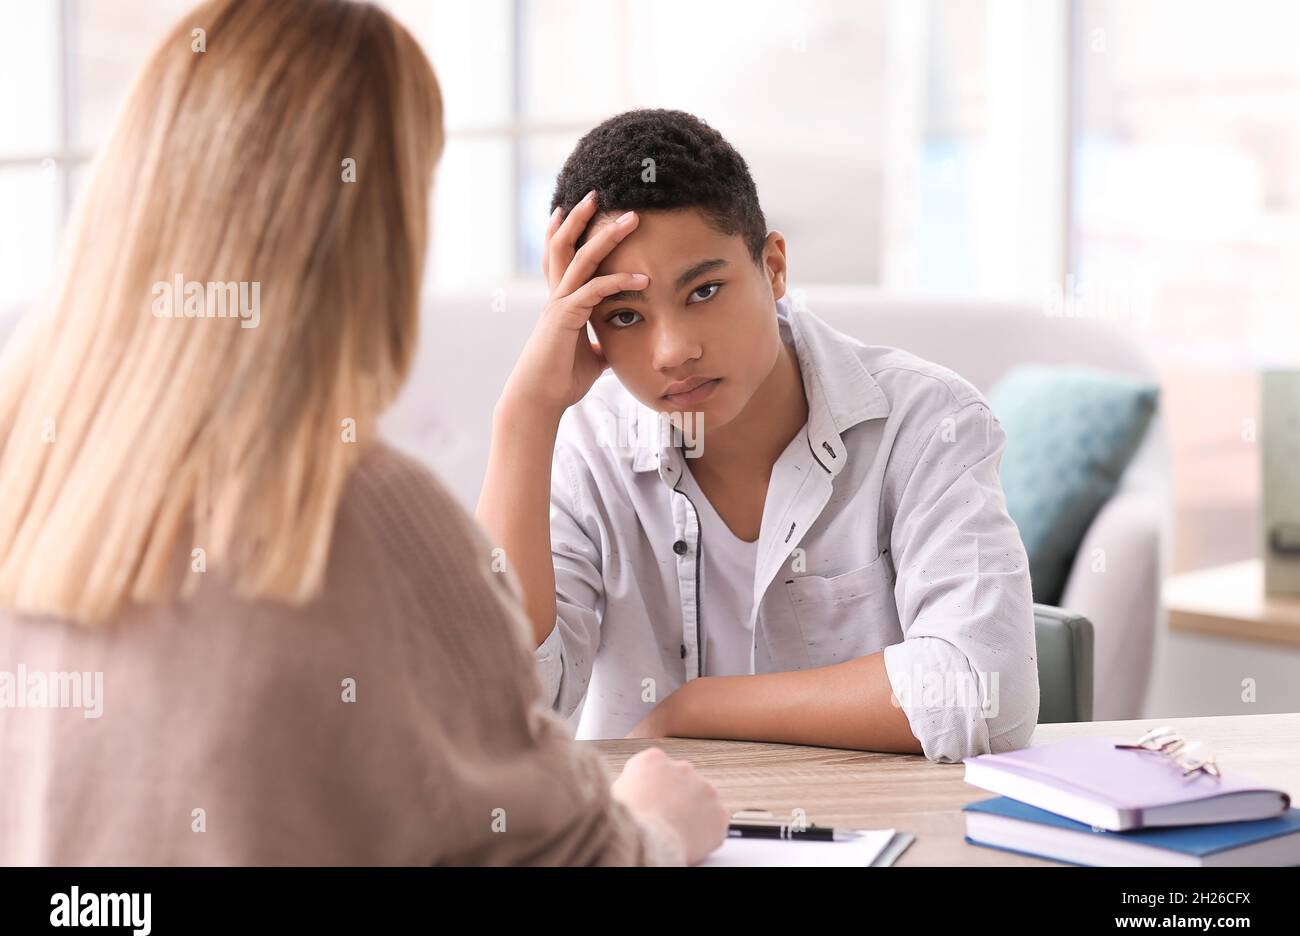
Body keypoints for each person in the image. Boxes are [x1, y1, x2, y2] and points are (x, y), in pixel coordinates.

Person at [0, 0, 726, 866]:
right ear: (380, 229)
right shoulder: (355, 515)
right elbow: (562, 849)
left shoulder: (29, 470)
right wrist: (656, 826)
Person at [477, 109, 1040, 763]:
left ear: (774, 267)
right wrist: (524, 415)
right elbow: (495, 710)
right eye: (624, 315)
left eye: (704, 290)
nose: (673, 351)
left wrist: (695, 709)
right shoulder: (586, 448)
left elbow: (987, 693)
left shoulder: (925, 421)